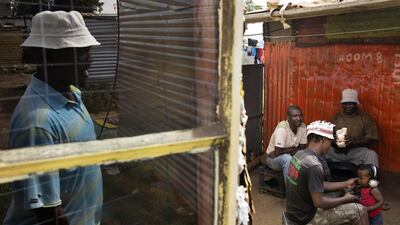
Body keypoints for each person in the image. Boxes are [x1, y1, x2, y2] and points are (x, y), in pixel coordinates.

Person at [4, 11, 102, 225]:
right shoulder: (38, 124)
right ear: (49, 58)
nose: (89, 61)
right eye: (81, 53)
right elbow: (49, 216)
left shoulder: (71, 93)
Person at [286, 121, 369, 225]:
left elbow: (317, 184)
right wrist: (345, 198)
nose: (330, 146)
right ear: (322, 140)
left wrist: (345, 183)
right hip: (307, 218)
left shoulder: (300, 154)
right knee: (360, 210)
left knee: (339, 192)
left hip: (295, 213)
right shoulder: (314, 165)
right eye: (330, 142)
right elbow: (319, 202)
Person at [327, 89, 379, 167]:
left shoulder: (365, 118)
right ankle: (321, 176)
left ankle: (371, 178)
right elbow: (328, 137)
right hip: (337, 152)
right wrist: (335, 142)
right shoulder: (335, 118)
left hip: (355, 152)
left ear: (356, 104)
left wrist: (354, 142)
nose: (347, 106)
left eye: (350, 104)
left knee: (371, 154)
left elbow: (370, 138)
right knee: (319, 151)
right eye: (345, 104)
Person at [265, 105, 307, 181]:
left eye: (300, 115)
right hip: (273, 159)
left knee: (306, 155)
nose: (299, 118)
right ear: (288, 118)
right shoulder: (282, 128)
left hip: (289, 155)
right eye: (295, 116)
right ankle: (290, 190)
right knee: (287, 159)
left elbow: (302, 148)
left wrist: (288, 150)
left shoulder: (303, 127)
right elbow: (278, 153)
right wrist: (295, 149)